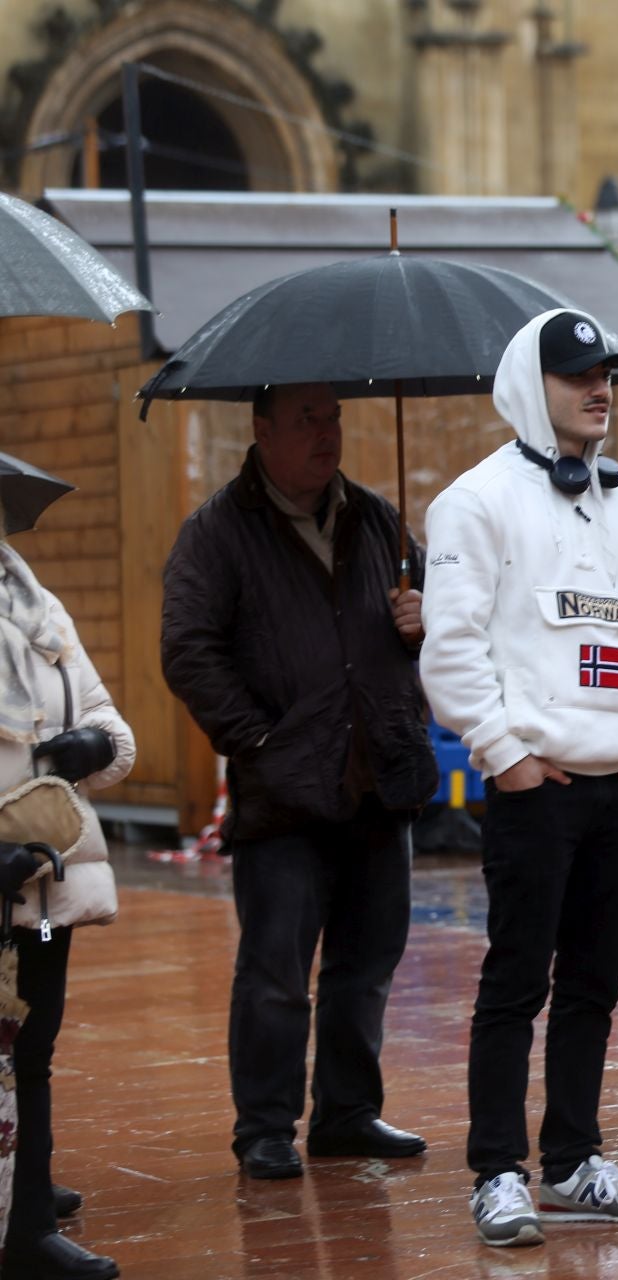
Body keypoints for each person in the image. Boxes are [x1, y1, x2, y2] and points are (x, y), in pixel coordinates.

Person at [419, 309, 618, 1246]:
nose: (599, 389)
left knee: (595, 987)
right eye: (578, 376)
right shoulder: (474, 501)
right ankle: (497, 1171)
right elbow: (450, 650)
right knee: (514, 984)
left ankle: (574, 1160)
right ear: (534, 386)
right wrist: (505, 753)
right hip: (538, 791)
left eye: (606, 374)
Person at [161, 384, 437, 1182]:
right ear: (263, 431)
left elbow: (434, 635)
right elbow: (188, 650)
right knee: (278, 970)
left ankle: (347, 1114)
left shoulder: (379, 519)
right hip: (284, 790)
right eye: (307, 420)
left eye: (335, 417)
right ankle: (265, 1128)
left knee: (368, 961)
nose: (327, 434)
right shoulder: (217, 531)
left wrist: (425, 622)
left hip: (380, 776)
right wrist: (257, 738)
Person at [0, 523, 133, 1280]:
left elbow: (117, 731)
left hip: (44, 880)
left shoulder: (39, 608)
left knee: (33, 1046)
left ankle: (26, 1212)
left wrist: (94, 746)